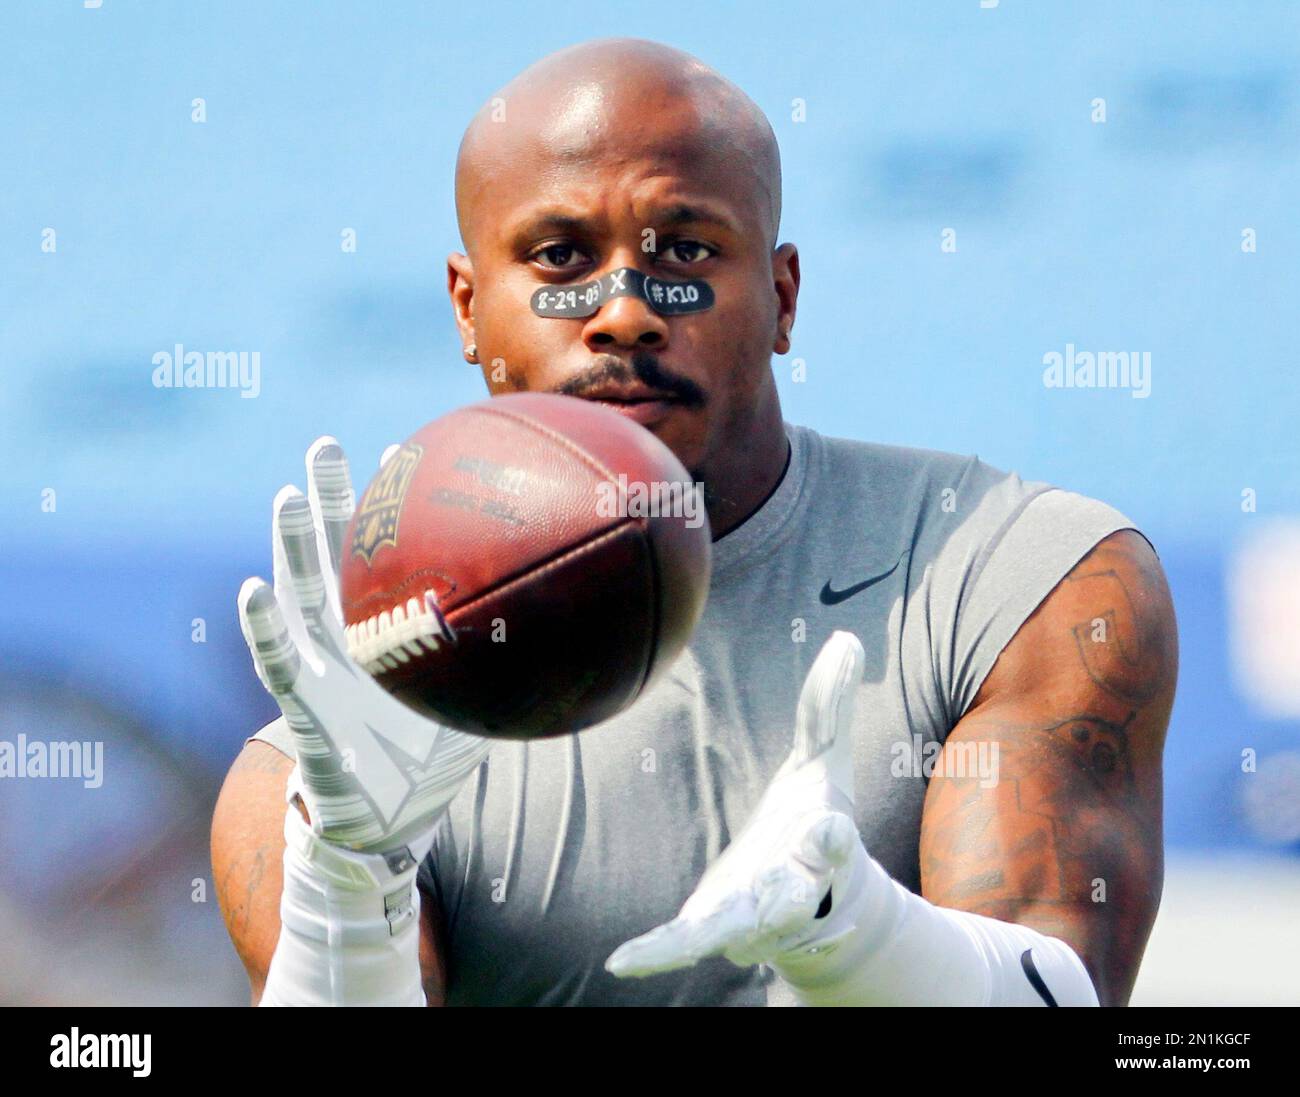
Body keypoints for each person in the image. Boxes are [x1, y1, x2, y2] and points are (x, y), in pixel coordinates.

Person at [211, 37, 1177, 1007]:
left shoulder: (1012, 576)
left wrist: (855, 932)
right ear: (468, 308)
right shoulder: (339, 761)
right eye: (560, 256)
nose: (625, 311)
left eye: (684, 249)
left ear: (781, 296)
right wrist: (347, 889)